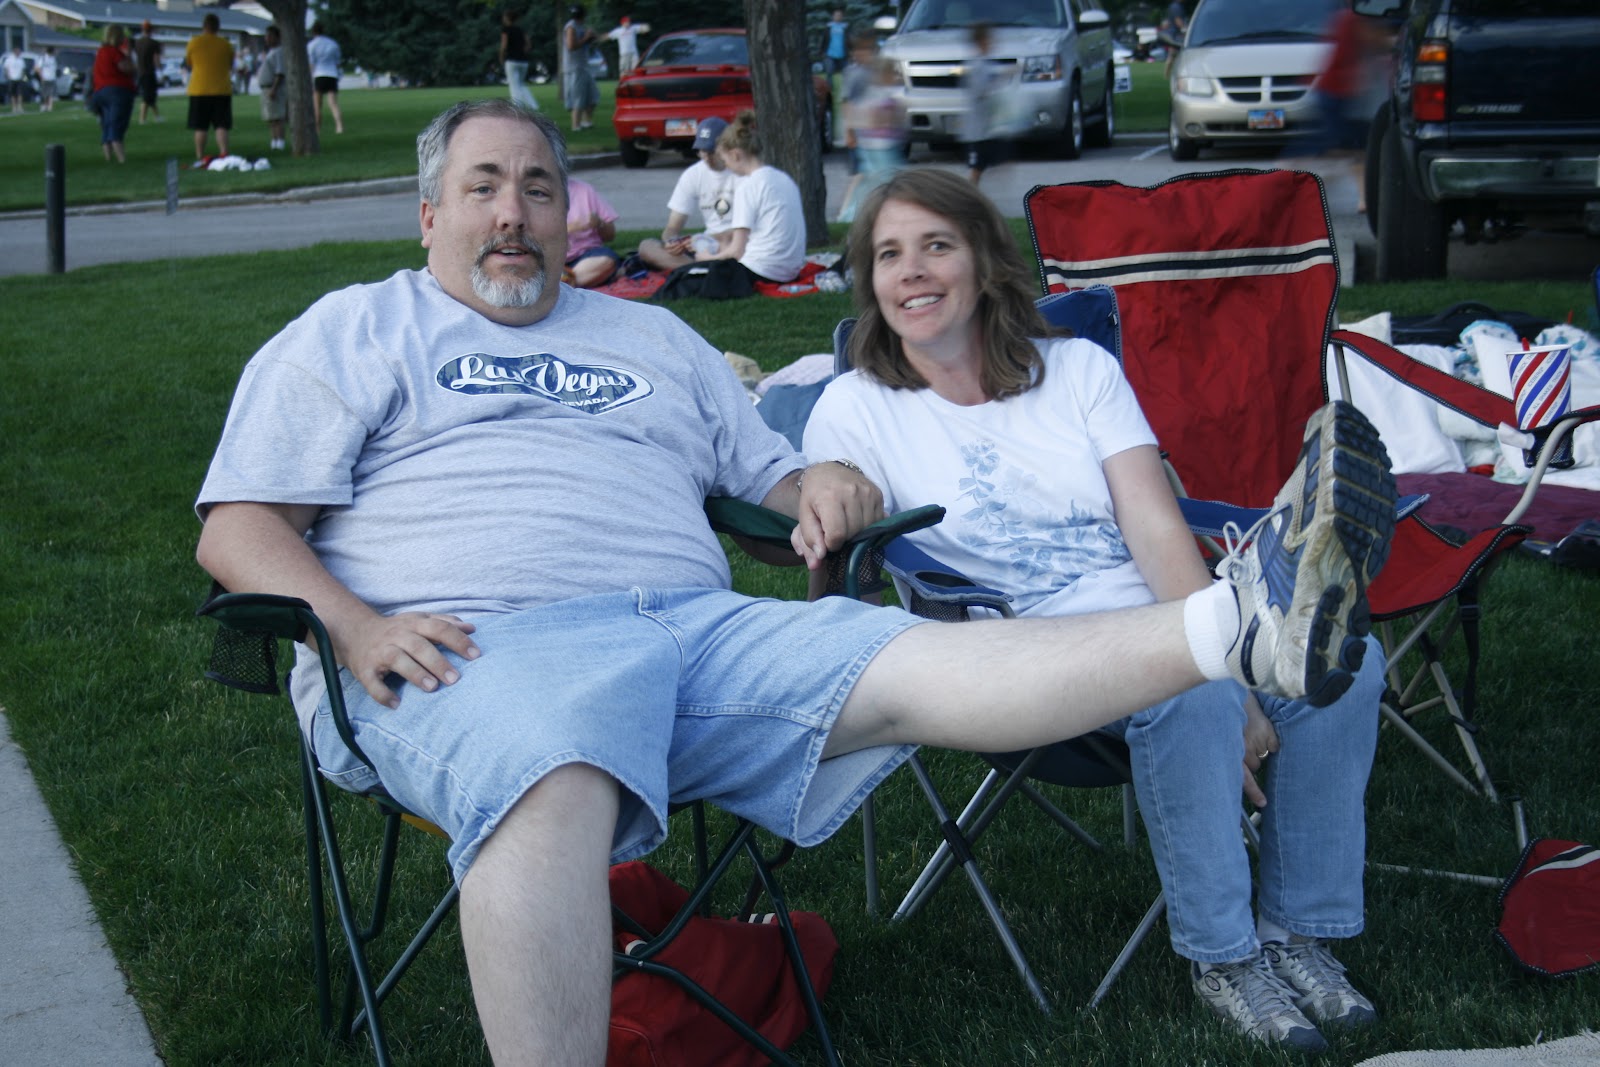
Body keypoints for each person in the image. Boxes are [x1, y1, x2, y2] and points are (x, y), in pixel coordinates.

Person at [193, 99, 1393, 1066]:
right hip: (471, 645)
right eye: (484, 188)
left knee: (909, 659)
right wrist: (349, 623)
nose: (514, 213)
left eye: (540, 188)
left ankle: (1237, 624)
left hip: (694, 633)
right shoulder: (356, 330)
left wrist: (823, 477)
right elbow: (238, 523)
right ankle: (1237, 626)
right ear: (429, 215)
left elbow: (776, 483)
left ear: (569, 214)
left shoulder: (650, 337)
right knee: (553, 764)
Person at [802, 168, 1385, 1052]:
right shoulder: (856, 406)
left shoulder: (1076, 368)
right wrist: (826, 489)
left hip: (1150, 613)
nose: (911, 270)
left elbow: (1153, 522)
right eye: (889, 254)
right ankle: (1225, 957)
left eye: (936, 246)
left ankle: (1297, 933)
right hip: (1018, 658)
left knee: (1348, 660)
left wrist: (1236, 664)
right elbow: (835, 509)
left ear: (983, 261)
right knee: (1188, 684)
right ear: (871, 281)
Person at [702, 110, 806, 285]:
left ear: (735, 155)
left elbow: (736, 251)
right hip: (789, 270)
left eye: (725, 160)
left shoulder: (748, 186)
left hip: (761, 270)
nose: (726, 166)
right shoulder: (783, 178)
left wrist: (705, 258)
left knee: (690, 275)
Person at [634, 116, 740, 271]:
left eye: (711, 152)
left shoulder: (742, 172)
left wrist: (713, 238)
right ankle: (700, 267)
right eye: (702, 151)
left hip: (737, 242)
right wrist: (672, 242)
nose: (706, 157)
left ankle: (701, 268)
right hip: (707, 245)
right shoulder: (693, 174)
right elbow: (672, 227)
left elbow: (752, 229)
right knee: (646, 246)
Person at [836, 57, 907, 224]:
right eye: (892, 73)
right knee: (885, 181)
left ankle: (858, 214)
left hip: (884, 145)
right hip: (877, 146)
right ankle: (856, 215)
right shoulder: (874, 94)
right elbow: (871, 119)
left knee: (879, 181)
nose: (895, 77)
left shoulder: (887, 92)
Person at [961, 23, 1008, 186]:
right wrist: (997, 84)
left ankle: (971, 192)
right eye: (989, 40)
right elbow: (979, 91)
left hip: (987, 128)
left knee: (981, 165)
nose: (992, 43)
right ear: (980, 41)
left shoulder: (985, 64)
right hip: (978, 130)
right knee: (976, 168)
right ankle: (967, 193)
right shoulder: (977, 65)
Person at [185, 12, 235, 159]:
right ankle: (224, 153)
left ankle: (200, 155)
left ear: (204, 26)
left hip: (199, 89)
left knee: (200, 126)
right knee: (221, 125)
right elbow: (230, 64)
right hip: (221, 89)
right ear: (218, 27)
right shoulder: (226, 45)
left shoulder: (194, 43)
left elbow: (189, 63)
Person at [562, 176, 621, 288]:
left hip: (585, 258)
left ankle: (563, 281)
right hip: (547, 258)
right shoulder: (533, 193)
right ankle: (565, 282)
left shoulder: (584, 189)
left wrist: (599, 223)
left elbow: (610, 235)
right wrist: (571, 227)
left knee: (608, 260)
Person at [90, 26, 137, 162]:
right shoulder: (114, 52)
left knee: (107, 123)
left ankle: (108, 157)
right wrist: (129, 56)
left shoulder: (101, 52)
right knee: (117, 123)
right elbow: (126, 68)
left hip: (100, 91)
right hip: (117, 91)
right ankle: (121, 158)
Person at [562, 4, 599, 132]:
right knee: (578, 97)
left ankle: (586, 121)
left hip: (584, 66)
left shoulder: (581, 26)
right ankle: (575, 125)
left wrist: (591, 37)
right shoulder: (571, 26)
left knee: (593, 96)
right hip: (574, 67)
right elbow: (571, 46)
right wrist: (586, 38)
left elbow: (591, 40)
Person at [307, 21, 345, 136]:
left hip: (319, 74)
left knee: (317, 105)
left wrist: (310, 77)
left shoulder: (312, 45)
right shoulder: (333, 43)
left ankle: (317, 129)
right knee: (333, 103)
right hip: (332, 74)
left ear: (313, 32)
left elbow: (311, 63)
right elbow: (337, 62)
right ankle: (339, 126)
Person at [499, 10, 539, 112]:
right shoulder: (521, 30)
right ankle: (533, 105)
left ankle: (517, 106)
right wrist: (522, 52)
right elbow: (528, 44)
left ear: (507, 18)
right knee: (521, 84)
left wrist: (501, 56)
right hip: (523, 60)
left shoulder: (506, 30)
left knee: (514, 85)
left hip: (511, 60)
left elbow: (504, 45)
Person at [257, 25, 286, 152]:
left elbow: (280, 72)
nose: (267, 38)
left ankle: (280, 142)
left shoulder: (279, 52)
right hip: (266, 88)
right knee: (271, 118)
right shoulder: (271, 52)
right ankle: (274, 140)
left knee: (277, 117)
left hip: (273, 88)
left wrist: (274, 89)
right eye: (266, 36)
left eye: (270, 36)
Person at [133, 21, 162, 124]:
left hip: (140, 72)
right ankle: (142, 119)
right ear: (151, 30)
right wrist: (160, 71)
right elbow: (156, 59)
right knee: (148, 96)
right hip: (149, 72)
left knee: (150, 96)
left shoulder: (137, 43)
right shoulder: (154, 43)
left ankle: (157, 116)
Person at [1161, 1, 1188, 81]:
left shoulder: (1174, 6)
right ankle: (1167, 75)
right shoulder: (1177, 7)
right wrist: (1185, 29)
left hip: (1174, 34)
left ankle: (1167, 75)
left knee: (1172, 56)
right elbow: (1178, 20)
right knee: (1173, 55)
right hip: (1176, 35)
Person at [822, 8, 849, 85]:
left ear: (842, 17)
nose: (838, 17)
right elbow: (824, 39)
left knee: (846, 73)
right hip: (830, 53)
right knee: (829, 72)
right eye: (836, 15)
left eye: (839, 15)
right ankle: (829, 88)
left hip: (842, 54)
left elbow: (849, 40)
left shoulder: (845, 27)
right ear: (833, 16)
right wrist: (822, 51)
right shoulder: (829, 27)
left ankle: (846, 89)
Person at [2, 44, 25, 114]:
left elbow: (23, 69)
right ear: (14, 51)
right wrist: (8, 76)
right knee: (13, 94)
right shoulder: (9, 59)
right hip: (12, 78)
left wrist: (23, 77)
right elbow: (6, 68)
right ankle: (14, 107)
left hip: (19, 78)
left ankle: (19, 107)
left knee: (20, 93)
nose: (19, 52)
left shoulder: (21, 60)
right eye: (18, 51)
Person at [36, 46, 57, 113]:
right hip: (45, 78)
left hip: (52, 78)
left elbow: (54, 68)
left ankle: (50, 107)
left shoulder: (53, 59)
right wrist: (41, 77)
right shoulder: (43, 58)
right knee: (44, 93)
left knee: (50, 93)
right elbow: (38, 68)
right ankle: (43, 106)